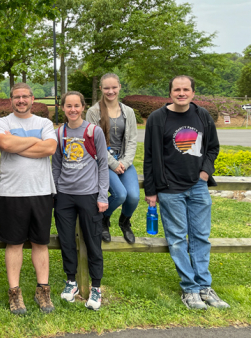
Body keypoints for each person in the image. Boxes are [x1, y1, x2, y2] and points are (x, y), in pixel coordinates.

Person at [144, 75, 228, 310]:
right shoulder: (158, 118)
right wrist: (151, 190)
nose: (181, 93)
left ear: (192, 93)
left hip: (198, 186)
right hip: (170, 189)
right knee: (178, 240)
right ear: (170, 93)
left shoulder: (202, 116)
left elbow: (213, 148)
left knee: (201, 237)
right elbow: (150, 157)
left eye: (186, 89)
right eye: (177, 89)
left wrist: (204, 173)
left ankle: (204, 286)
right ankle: (189, 289)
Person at [0, 83, 58, 315]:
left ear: (32, 99)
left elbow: (50, 148)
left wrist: (16, 145)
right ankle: (15, 293)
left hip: (41, 191)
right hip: (12, 192)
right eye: (16, 97)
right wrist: (34, 142)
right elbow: (4, 144)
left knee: (41, 242)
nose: (21, 100)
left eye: (25, 97)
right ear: (10, 100)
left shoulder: (44, 123)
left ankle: (43, 291)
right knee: (14, 243)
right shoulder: (2, 123)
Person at [52, 91, 109, 311]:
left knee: (93, 241)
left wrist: (102, 196)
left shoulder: (93, 132)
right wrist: (55, 192)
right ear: (63, 108)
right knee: (66, 241)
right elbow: (56, 164)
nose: (72, 109)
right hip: (65, 195)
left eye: (76, 105)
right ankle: (71, 282)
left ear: (83, 107)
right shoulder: (60, 133)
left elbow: (103, 164)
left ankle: (96, 287)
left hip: (89, 194)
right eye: (68, 106)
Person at [85, 73, 139, 244]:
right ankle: (102, 219)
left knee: (133, 197)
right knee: (120, 194)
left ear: (119, 87)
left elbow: (132, 140)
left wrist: (124, 162)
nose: (110, 91)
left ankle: (124, 221)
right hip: (102, 162)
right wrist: (113, 164)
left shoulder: (128, 112)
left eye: (114, 87)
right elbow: (93, 143)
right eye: (106, 88)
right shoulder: (93, 112)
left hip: (124, 160)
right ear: (101, 89)